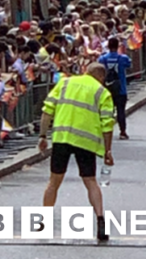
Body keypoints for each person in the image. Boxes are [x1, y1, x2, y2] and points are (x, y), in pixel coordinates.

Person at [38, 63, 115, 242]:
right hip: (86, 142)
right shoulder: (102, 93)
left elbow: (47, 111)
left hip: (62, 138)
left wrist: (43, 136)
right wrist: (107, 150)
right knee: (90, 181)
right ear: (101, 77)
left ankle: (44, 220)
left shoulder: (65, 83)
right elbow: (107, 125)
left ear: (85, 71)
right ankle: (100, 221)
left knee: (54, 181)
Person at [98, 37, 132, 140]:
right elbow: (129, 65)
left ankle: (105, 132)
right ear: (118, 46)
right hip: (121, 89)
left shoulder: (102, 58)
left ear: (108, 46)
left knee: (107, 112)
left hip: (107, 89)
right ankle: (122, 132)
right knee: (121, 111)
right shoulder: (123, 58)